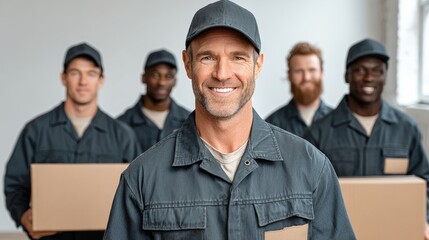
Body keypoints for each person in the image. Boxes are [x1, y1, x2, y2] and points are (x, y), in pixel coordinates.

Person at [103, 1, 356, 239]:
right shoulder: (141, 179)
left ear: (258, 65)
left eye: (238, 57)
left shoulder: (312, 169)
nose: (222, 74)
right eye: (208, 57)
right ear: (188, 64)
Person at [4, 42, 141, 240]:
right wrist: (24, 216)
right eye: (75, 73)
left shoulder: (123, 135)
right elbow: (15, 184)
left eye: (91, 73)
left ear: (101, 80)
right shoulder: (35, 130)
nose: (83, 81)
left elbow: (138, 191)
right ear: (63, 78)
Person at [304, 38, 429, 239]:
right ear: (347, 76)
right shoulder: (319, 133)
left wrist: (424, 219)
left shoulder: (407, 129)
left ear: (385, 77)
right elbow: (306, 192)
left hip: (396, 232)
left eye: (377, 70)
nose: (369, 77)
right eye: (361, 70)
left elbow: (425, 182)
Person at [118, 49, 190, 152]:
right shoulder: (122, 125)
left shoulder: (191, 122)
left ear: (175, 81)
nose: (161, 82)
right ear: (143, 78)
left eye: (168, 76)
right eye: (155, 75)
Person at [265, 42, 332, 137]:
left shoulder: (339, 121)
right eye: (299, 71)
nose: (306, 77)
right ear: (289, 75)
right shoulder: (271, 126)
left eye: (312, 70)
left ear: (322, 73)